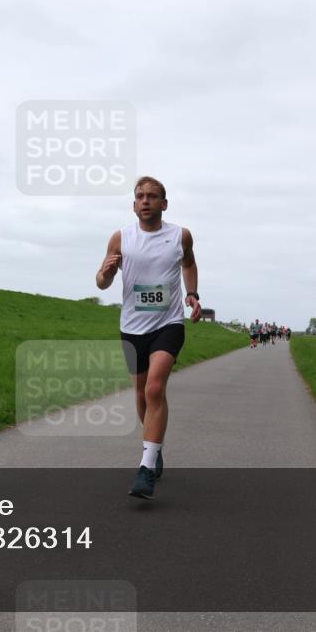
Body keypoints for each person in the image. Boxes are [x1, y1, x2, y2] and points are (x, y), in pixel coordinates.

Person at [96, 176, 201, 500]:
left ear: (163, 204)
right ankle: (154, 449)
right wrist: (107, 272)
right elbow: (101, 281)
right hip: (132, 327)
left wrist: (193, 293)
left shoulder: (180, 235)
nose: (145, 201)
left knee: (155, 388)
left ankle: (145, 468)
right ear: (134, 205)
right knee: (142, 394)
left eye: (152, 196)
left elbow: (189, 263)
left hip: (168, 323)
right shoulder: (121, 238)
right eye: (140, 196)